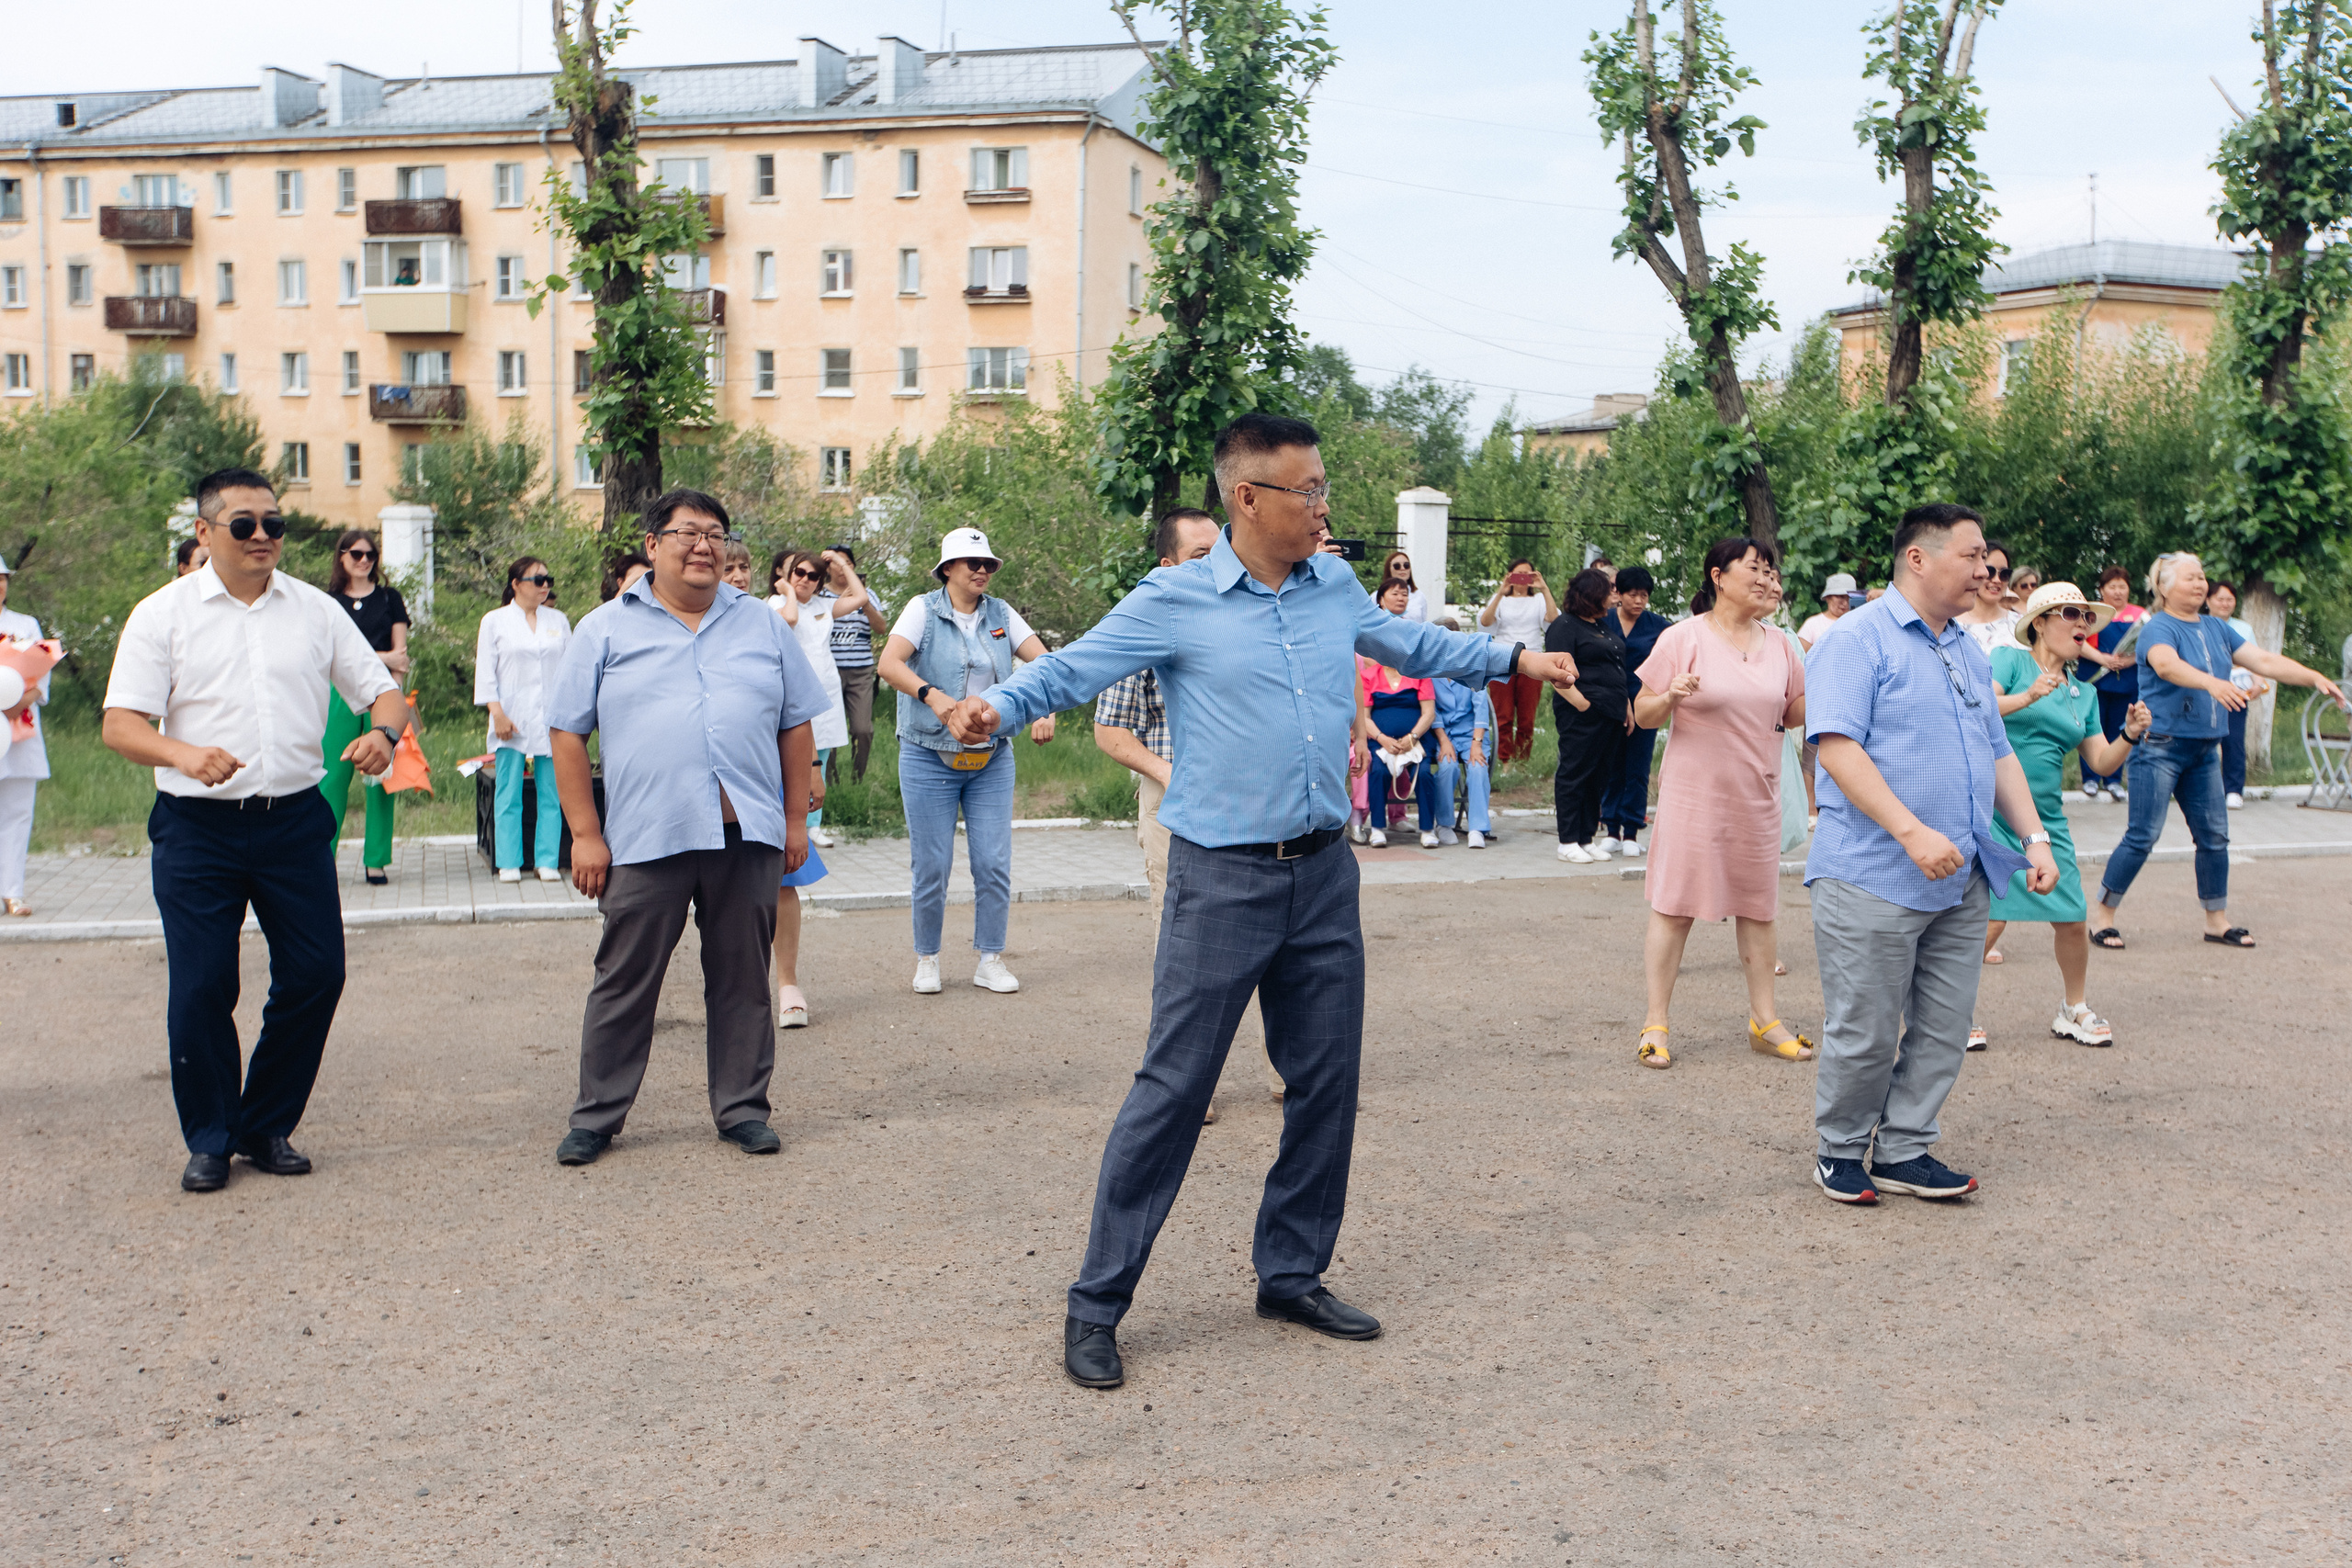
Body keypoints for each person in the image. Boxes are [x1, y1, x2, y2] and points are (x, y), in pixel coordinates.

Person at [933, 412, 1580, 1391]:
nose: (1323, 506)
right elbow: (1072, 669)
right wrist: (998, 706)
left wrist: (1516, 658)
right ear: (1248, 497)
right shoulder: (1176, 598)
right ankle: (1097, 1302)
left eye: (1324, 487)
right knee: (1173, 1088)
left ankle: (1291, 1274)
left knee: (1324, 1081)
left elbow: (1413, 644)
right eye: (1307, 490)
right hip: (1221, 878)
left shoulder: (1332, 585)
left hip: (1322, 874)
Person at [100, 468, 411, 1192]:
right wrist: (183, 754)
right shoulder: (162, 614)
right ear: (205, 532)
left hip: (294, 822)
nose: (263, 536)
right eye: (244, 524)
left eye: (274, 523)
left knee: (316, 974)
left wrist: (384, 735)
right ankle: (210, 1136)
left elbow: (384, 692)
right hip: (197, 828)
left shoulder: (315, 611)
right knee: (204, 984)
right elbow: (120, 724)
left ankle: (265, 1123)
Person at [546, 489, 831, 1168]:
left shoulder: (762, 625)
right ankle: (596, 1117)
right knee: (624, 978)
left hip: (745, 834)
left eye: (715, 534)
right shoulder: (603, 628)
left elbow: (796, 724)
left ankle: (743, 1109)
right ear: (653, 545)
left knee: (742, 978)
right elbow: (566, 732)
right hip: (648, 835)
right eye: (687, 532)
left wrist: (795, 819)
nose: (703, 545)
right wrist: (586, 833)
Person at [1804, 502, 2061, 1205]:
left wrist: (2034, 838)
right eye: (1973, 556)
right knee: (1865, 1030)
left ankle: (1905, 1147)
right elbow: (1837, 747)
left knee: (1945, 1027)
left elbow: (1998, 752)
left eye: (1988, 559)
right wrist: (1910, 831)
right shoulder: (1856, 639)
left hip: (1960, 877)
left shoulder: (1965, 648)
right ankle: (1841, 1148)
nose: (1986, 569)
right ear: (1917, 558)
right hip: (1873, 875)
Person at [1092, 507, 1282, 1121]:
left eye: (1219, 548)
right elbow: (1110, 731)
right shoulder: (1146, 623)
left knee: (1276, 936)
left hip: (1252, 803)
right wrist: (1174, 774)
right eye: (1201, 554)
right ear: (1166, 564)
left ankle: (1289, 1072)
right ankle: (1186, 1085)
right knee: (1185, 949)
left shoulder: (1247, 614)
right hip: (1172, 802)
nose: (1217, 560)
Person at [2088, 552, 2345, 952]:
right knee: (2142, 836)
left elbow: (2263, 660)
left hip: (2205, 749)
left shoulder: (2216, 627)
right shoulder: (2158, 628)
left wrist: (2314, 677)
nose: (2199, 583)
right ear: (2163, 588)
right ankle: (2103, 916)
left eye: (2202, 577)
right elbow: (2167, 665)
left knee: (2214, 837)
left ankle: (2216, 921)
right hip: (2158, 747)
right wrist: (2212, 683)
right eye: (2189, 577)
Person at [1626, 538, 1808, 1068]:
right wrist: (1670, 696)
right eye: (1754, 568)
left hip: (1757, 794)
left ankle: (1764, 1021)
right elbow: (1643, 712)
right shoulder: (1683, 637)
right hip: (1694, 797)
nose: (1765, 577)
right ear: (1718, 576)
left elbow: (1794, 710)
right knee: (1674, 906)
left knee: (1759, 908)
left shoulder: (1781, 645)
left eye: (1770, 570)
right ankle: (1655, 1022)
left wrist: (1831, 676)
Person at [876, 527, 1057, 996]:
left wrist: (1045, 708)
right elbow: (889, 664)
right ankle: (927, 958)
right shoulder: (922, 609)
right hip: (928, 755)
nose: (982, 571)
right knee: (931, 865)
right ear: (948, 569)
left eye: (988, 564)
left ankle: (990, 959)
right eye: (972, 563)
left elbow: (1045, 664)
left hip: (990, 758)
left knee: (993, 862)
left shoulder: (1001, 613)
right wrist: (932, 696)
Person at [1971, 582, 2151, 1049]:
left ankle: (2074, 1009)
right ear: (2040, 623)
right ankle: (1952, 1010)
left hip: (2046, 820)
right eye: (2071, 613)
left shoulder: (2083, 694)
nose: (2082, 624)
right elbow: (1978, 710)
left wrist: (2129, 734)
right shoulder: (2009, 662)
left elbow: (2101, 762)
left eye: (2087, 617)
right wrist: (2028, 696)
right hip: (1991, 810)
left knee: (2072, 917)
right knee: (1990, 919)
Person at [319, 529, 411, 886]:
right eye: (356, 554)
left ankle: (376, 860)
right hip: (338, 695)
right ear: (341, 556)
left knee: (380, 779)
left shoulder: (389, 598)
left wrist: (397, 695)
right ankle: (322, 856)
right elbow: (328, 657)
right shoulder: (328, 602)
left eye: (370, 555)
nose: (364, 561)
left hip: (383, 695)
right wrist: (382, 657)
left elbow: (400, 657)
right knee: (331, 777)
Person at [474, 557, 572, 885]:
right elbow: (486, 672)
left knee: (552, 793)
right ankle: (508, 860)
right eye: (537, 580)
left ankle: (546, 860)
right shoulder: (495, 621)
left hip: (552, 718)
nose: (545, 586)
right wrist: (497, 713)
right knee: (508, 792)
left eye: (548, 580)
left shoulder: (558, 620)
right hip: (510, 717)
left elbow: (570, 670)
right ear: (516, 584)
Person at [1547, 568, 1628, 863]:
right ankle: (1567, 841)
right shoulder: (1565, 625)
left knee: (1598, 777)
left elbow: (1617, 668)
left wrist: (1626, 706)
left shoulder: (1603, 626)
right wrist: (1582, 704)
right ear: (1593, 594)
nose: (1614, 596)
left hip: (1611, 713)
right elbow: (1555, 672)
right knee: (1574, 774)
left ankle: (1586, 837)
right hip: (1581, 714)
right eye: (1609, 590)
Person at [770, 549, 848, 850]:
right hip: (793, 690)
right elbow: (789, 618)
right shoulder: (775, 603)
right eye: (799, 572)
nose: (805, 579)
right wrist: (788, 591)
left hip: (826, 688)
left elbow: (860, 597)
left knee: (821, 758)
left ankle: (814, 824)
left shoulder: (823, 605)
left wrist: (839, 563)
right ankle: (792, 821)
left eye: (813, 576)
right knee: (796, 757)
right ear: (787, 574)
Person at [1599, 565, 1669, 856]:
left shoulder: (1659, 627)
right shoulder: (1603, 621)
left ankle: (1631, 831)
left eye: (1644, 596)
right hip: (1610, 704)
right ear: (1619, 593)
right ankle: (1611, 829)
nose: (1639, 601)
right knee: (1611, 766)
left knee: (1638, 769)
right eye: (1632, 595)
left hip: (1644, 705)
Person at [0, 554, 51, 917]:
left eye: (3, 579)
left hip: (20, 725)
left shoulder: (25, 624)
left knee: (18, 813)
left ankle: (12, 892)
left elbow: (41, 670)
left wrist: (19, 702)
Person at [2075, 566, 2143, 802]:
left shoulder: (2140, 615)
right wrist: (2102, 659)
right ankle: (2090, 778)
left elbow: (2148, 646)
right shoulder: (2092, 613)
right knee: (2093, 727)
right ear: (2102, 590)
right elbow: (2078, 641)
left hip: (2127, 681)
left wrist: (2129, 661)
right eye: (2112, 586)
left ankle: (2114, 780)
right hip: (2094, 678)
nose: (2117, 591)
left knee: (2119, 728)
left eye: (2122, 586)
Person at [817, 545, 884, 783]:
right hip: (828, 670)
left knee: (862, 729)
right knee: (828, 728)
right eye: (834, 562)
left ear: (853, 566)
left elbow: (881, 628)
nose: (841, 567)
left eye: (845, 562)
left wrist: (863, 603)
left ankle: (857, 779)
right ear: (827, 568)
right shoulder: (819, 595)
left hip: (860, 672)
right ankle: (829, 780)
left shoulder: (868, 594)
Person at [1478, 558, 1555, 763]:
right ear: (1510, 576)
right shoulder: (1501, 599)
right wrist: (1500, 592)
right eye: (1518, 574)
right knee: (1502, 715)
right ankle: (1505, 760)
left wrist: (1544, 589)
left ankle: (1521, 761)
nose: (1523, 578)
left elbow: (1553, 620)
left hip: (1531, 660)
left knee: (1527, 717)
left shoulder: (1538, 600)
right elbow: (1485, 622)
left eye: (1527, 574)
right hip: (1502, 659)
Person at [2202, 581, 2266, 808]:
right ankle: (2204, 788)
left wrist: (2258, 683)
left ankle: (2233, 790)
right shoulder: (2198, 624)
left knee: (2234, 741)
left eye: (2230, 599)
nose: (2225, 604)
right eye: (2220, 599)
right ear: (2208, 601)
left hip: (2236, 693)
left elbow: (2256, 660)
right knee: (2203, 741)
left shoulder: (2243, 628)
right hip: (2205, 691)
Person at [1428, 663, 1493, 848]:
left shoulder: (1473, 671)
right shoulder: (1430, 673)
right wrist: (1443, 740)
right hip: (1444, 734)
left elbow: (1481, 708)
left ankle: (1477, 828)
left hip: (1473, 734)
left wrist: (1476, 744)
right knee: (1447, 766)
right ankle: (1444, 824)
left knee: (1478, 767)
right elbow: (1432, 710)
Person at [1956, 538, 2018, 656]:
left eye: (2004, 574)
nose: (1997, 580)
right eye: (1990, 571)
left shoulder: (2021, 625)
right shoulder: (1952, 626)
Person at [1798, 572, 1858, 650]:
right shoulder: (1812, 624)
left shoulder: (1857, 623)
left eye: (1850, 598)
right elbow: (1800, 655)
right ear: (1828, 597)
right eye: (1841, 597)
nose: (1845, 603)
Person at [1378, 548, 1435, 622]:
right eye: (1397, 566)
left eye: (1406, 565)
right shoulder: (1376, 595)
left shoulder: (1419, 596)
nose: (1402, 568)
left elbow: (1423, 621)